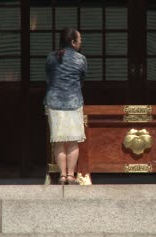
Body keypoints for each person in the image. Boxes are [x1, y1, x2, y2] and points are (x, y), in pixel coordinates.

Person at [44, 27, 87, 185]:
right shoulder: (81, 59)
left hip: (54, 102)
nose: (81, 42)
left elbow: (49, 78)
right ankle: (71, 175)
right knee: (74, 140)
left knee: (59, 140)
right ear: (73, 42)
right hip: (74, 102)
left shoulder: (51, 57)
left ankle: (62, 175)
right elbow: (81, 80)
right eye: (79, 39)